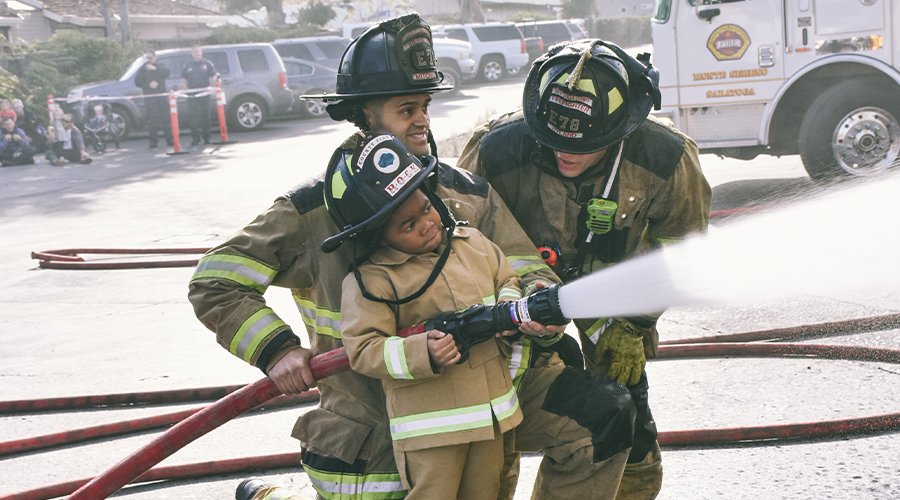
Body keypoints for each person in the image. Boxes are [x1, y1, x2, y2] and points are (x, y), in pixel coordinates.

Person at [190, 14, 634, 500]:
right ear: (364, 116)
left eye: (424, 105)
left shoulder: (465, 196)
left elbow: (524, 265)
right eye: (406, 109)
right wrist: (275, 349)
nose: (423, 120)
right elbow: (216, 281)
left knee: (602, 414)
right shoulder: (313, 212)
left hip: (481, 398)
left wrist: (538, 302)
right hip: (374, 419)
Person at [456, 39, 713, 500]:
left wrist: (636, 322)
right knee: (499, 429)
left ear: (622, 129)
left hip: (618, 303)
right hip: (515, 302)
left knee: (624, 420)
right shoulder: (497, 149)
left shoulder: (664, 158)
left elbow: (682, 255)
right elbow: (457, 240)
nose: (565, 155)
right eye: (552, 142)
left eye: (586, 146)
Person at [326, 131, 527, 499]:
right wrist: (424, 352)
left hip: (492, 416)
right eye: (408, 225)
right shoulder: (373, 281)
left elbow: (508, 278)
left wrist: (509, 310)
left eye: (425, 208)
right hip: (432, 432)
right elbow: (364, 349)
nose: (427, 223)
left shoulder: (473, 245)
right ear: (376, 236)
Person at [180, 44, 218, 146]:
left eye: (198, 51)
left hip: (204, 94)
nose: (197, 53)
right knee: (193, 117)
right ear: (192, 53)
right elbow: (183, 78)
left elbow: (214, 75)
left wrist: (217, 81)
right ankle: (196, 139)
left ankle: (207, 138)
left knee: (205, 116)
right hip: (192, 95)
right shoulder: (187, 65)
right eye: (195, 52)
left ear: (201, 52)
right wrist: (185, 89)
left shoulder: (207, 63)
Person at [135, 50, 173, 149]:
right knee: (152, 120)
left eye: (150, 57)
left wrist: (155, 69)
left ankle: (170, 140)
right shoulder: (143, 69)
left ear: (155, 57)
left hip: (161, 96)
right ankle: (153, 142)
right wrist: (148, 85)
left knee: (166, 120)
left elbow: (166, 73)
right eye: (147, 58)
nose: (149, 60)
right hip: (150, 97)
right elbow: (137, 82)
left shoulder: (160, 66)